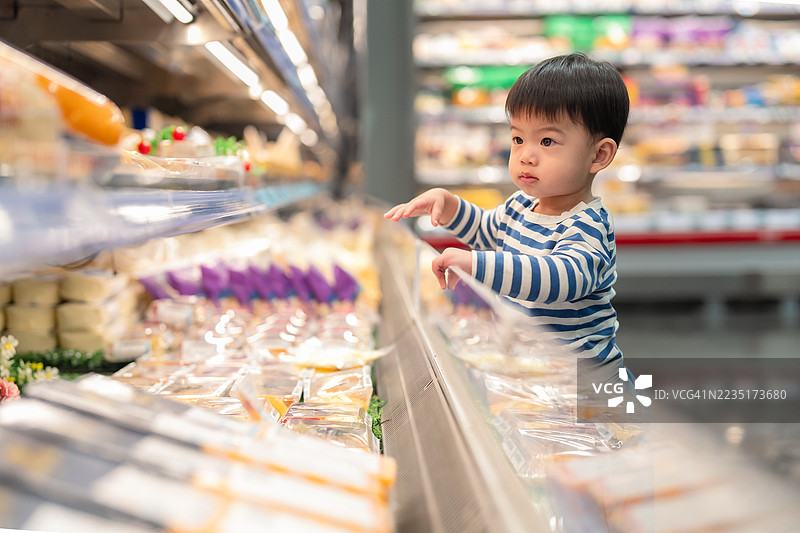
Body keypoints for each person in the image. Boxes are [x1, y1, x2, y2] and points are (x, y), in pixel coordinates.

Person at [384, 53, 629, 365]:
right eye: (518, 138)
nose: (526, 155)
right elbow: (486, 230)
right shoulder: (520, 206)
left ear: (598, 155)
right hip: (531, 373)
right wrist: (448, 205)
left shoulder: (587, 225)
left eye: (548, 141)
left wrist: (479, 265)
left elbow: (557, 280)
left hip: (581, 387)